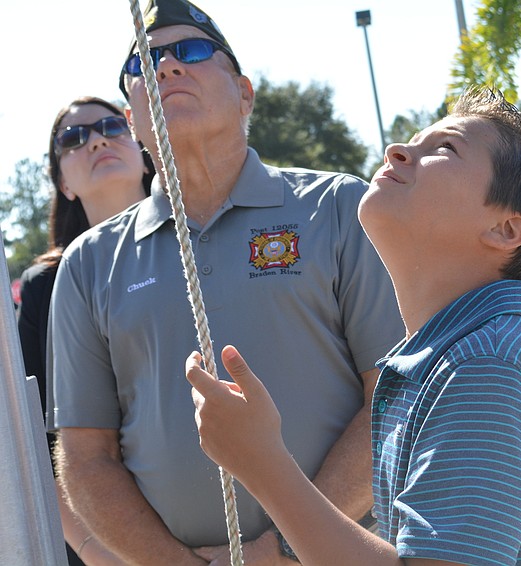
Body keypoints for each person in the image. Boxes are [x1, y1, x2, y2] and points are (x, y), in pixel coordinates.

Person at [186, 87, 521, 564]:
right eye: (414, 140)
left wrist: (261, 463)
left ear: (505, 230)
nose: (397, 150)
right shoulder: (465, 355)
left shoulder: (488, 364)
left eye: (446, 148)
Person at [48, 0, 404, 564]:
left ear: (245, 94)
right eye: (144, 63)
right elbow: (86, 457)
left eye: (188, 51)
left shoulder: (339, 209)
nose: (164, 68)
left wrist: (287, 549)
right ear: (134, 116)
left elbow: (395, 400)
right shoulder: (89, 264)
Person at [18, 96, 152, 566]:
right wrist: (99, 552)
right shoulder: (44, 288)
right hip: (102, 543)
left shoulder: (204, 249)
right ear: (64, 183)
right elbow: (34, 442)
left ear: (143, 151)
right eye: (73, 139)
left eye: (112, 126)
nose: (96, 138)